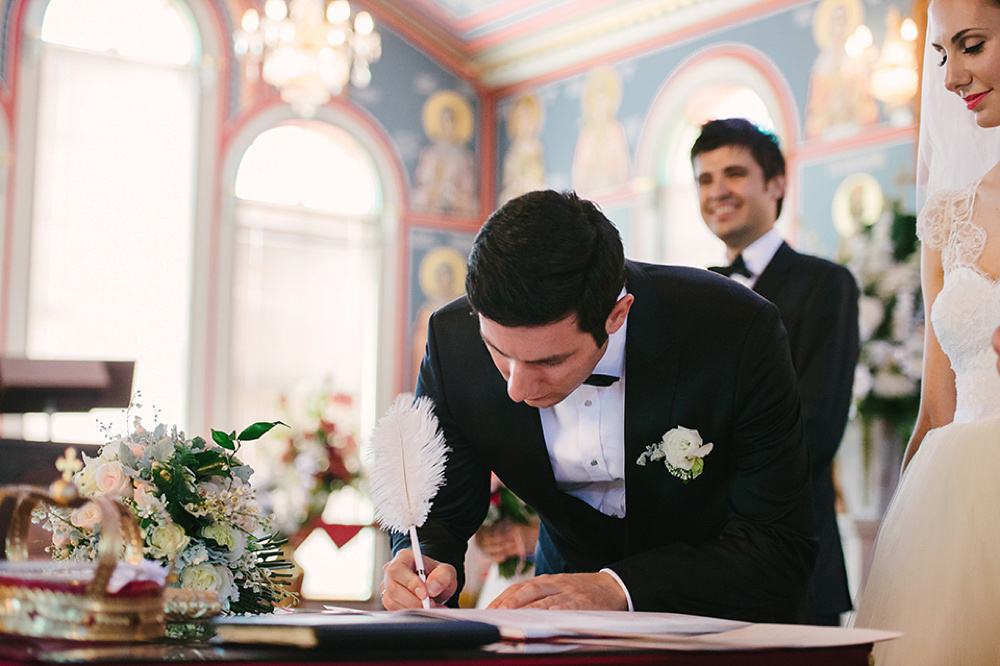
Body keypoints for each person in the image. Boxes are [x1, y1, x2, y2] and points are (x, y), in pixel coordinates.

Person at [380, 189, 817, 621]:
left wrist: (618, 588)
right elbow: (439, 511)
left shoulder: (733, 331)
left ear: (617, 313)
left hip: (717, 614)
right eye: (498, 352)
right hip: (558, 614)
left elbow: (777, 543)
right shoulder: (453, 343)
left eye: (549, 360)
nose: (517, 388)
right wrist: (424, 566)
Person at [853, 0, 1000, 661]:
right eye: (942, 54)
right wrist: (909, 539)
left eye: (972, 45)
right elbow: (937, 404)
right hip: (964, 497)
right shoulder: (950, 214)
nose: (950, 78)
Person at [690, 118, 860, 626]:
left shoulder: (825, 284)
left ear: (777, 183)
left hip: (793, 558)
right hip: (704, 566)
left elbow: (818, 428)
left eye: (735, 173)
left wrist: (703, 474)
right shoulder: (694, 294)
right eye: (704, 178)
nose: (718, 190)